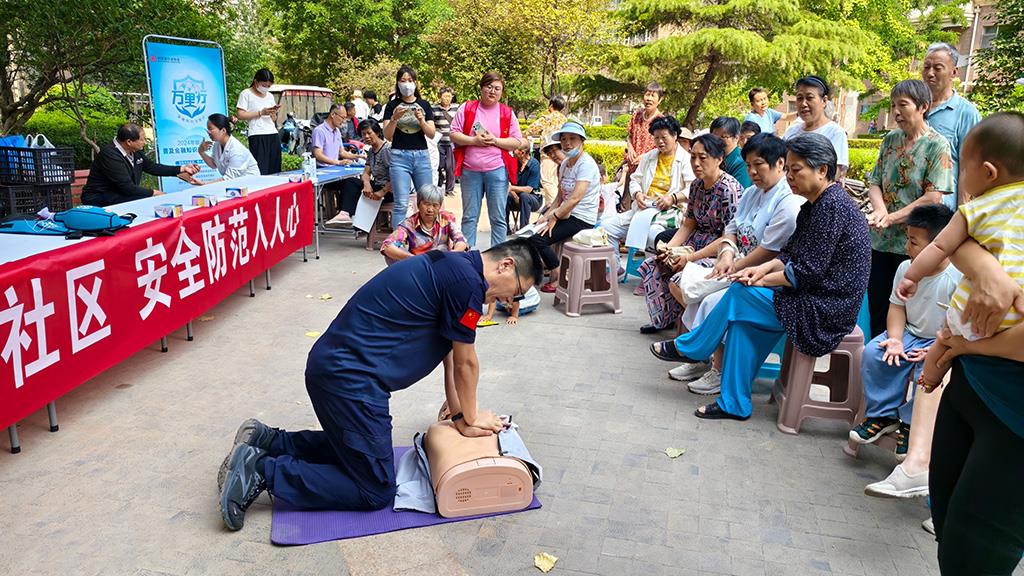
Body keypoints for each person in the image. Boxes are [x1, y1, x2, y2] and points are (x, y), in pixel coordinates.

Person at [217, 239, 545, 529]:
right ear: (506, 265)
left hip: (340, 371)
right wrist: (472, 417)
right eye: (516, 291)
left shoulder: (457, 269)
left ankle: (269, 440)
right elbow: (466, 363)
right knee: (374, 488)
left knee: (359, 454)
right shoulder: (468, 284)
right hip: (351, 381)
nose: (508, 300)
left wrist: (461, 416)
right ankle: (260, 469)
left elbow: (452, 357)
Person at [649, 133, 871, 420]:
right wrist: (759, 271)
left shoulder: (832, 207)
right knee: (742, 320)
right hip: (808, 295)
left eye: (796, 170)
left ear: (822, 170)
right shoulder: (814, 205)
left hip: (825, 308)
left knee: (741, 294)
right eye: (788, 169)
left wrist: (759, 279)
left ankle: (691, 347)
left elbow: (806, 272)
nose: (790, 177)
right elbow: (789, 255)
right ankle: (734, 403)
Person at [667, 133, 804, 394]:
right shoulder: (752, 193)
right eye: (748, 165)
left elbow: (769, 251)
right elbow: (731, 228)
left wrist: (733, 267)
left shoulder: (788, 203)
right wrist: (727, 255)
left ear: (780, 164)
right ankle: (701, 357)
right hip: (737, 263)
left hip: (763, 275)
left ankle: (717, 369)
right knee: (684, 284)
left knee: (710, 301)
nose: (752, 172)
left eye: (759, 164)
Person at [897, 112, 1024, 391]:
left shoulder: (977, 208)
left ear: (989, 172)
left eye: (964, 169)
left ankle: (929, 380)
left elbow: (940, 246)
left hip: (973, 312)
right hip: (1015, 318)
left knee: (944, 341)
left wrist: (912, 277)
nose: (960, 176)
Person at [849, 205, 959, 473]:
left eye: (914, 242)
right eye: (907, 239)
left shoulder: (957, 277)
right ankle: (883, 415)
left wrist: (937, 349)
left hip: (941, 341)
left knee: (929, 372)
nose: (906, 246)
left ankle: (912, 424)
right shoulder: (905, 268)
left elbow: (959, 326)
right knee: (875, 353)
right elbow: (897, 308)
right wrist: (896, 339)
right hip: (910, 332)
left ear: (939, 246)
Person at [864, 79, 954, 337]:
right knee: (879, 306)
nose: (896, 112)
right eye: (893, 105)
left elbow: (933, 197)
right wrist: (881, 212)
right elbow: (874, 182)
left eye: (903, 105)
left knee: (909, 307)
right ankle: (879, 354)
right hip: (881, 240)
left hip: (916, 244)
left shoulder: (937, 145)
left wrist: (892, 217)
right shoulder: (891, 140)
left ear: (923, 106)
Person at [636, 134, 743, 332]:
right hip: (694, 244)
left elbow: (728, 237)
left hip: (719, 252)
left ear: (719, 159)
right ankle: (665, 319)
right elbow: (687, 225)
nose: (696, 163)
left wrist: (690, 258)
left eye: (703, 157)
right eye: (693, 157)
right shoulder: (696, 185)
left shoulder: (729, 189)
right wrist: (669, 249)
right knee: (655, 265)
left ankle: (699, 331)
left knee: (680, 280)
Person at [451, 71, 528, 248]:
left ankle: (498, 257)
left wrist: (495, 140)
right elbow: (453, 133)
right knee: (469, 216)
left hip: (497, 171)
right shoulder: (467, 108)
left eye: (497, 88)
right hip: (470, 171)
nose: (492, 91)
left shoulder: (507, 113)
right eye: (489, 87)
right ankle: (467, 255)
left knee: (498, 217)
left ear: (502, 92)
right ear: (481, 88)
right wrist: (474, 141)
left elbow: (517, 141)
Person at [599, 115, 693, 252]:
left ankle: (650, 265)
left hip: (670, 211)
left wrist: (672, 198)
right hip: (644, 208)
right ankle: (616, 264)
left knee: (653, 235)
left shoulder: (686, 159)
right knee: (606, 228)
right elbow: (635, 180)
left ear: (675, 136)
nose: (660, 141)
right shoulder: (649, 157)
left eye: (664, 137)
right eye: (656, 138)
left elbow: (692, 188)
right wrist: (637, 194)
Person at [531, 121, 602, 292]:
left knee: (538, 240)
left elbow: (575, 198)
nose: (567, 143)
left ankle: (559, 276)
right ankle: (540, 273)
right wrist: (546, 216)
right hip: (566, 213)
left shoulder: (586, 164)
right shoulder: (565, 164)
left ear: (582, 140)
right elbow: (559, 197)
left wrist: (554, 217)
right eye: (563, 139)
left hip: (582, 217)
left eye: (572, 138)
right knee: (531, 234)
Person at [921, 42, 982, 208]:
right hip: (906, 210)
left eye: (937, 68)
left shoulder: (966, 113)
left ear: (954, 72)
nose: (930, 73)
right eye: (926, 67)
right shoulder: (913, 107)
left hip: (941, 212)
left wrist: (961, 213)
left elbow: (969, 167)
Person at [80, 123, 200, 207]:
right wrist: (154, 193)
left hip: (120, 194)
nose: (144, 142)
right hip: (99, 198)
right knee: (153, 200)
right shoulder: (110, 155)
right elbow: (127, 187)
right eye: (142, 139)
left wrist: (182, 168)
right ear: (129, 141)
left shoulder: (134, 150)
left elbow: (152, 167)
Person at [383, 65, 436, 223]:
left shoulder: (424, 105)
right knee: (401, 204)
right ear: (398, 83)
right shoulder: (392, 105)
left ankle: (425, 234)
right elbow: (388, 136)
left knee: (427, 201)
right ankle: (398, 237)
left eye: (410, 80)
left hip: (422, 156)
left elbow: (431, 134)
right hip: (399, 156)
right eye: (403, 80)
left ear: (415, 83)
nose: (407, 84)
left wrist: (421, 120)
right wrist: (394, 118)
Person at [325, 119, 392, 227]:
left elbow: (397, 177)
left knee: (353, 188)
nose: (366, 137)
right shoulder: (371, 151)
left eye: (369, 133)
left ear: (378, 133)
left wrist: (382, 192)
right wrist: (366, 184)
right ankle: (344, 214)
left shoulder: (387, 150)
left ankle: (349, 216)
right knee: (350, 182)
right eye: (363, 134)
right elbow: (366, 172)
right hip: (377, 186)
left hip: (390, 191)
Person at [782, 75, 849, 181]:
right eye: (799, 98)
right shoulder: (792, 131)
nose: (803, 104)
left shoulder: (835, 133)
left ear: (824, 101)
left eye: (809, 98)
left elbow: (835, 173)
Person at [381, 184, 468, 263]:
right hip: (418, 265)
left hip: (443, 263)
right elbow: (387, 246)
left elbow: (461, 240)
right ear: (418, 204)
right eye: (426, 204)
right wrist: (411, 258)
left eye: (435, 205)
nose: (430, 209)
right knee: (391, 255)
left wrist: (452, 255)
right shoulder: (409, 224)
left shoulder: (446, 219)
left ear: (439, 207)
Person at [622, 82, 665, 209]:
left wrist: (645, 157)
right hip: (632, 166)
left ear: (660, 100)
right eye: (647, 94)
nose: (649, 99)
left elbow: (662, 146)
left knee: (642, 204)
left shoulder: (661, 121)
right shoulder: (636, 115)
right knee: (625, 204)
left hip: (648, 170)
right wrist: (630, 148)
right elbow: (629, 135)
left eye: (653, 95)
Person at [236, 68, 281, 174]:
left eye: (269, 86)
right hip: (257, 134)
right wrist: (260, 113)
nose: (266, 88)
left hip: (273, 134)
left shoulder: (270, 96)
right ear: (256, 82)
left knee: (275, 168)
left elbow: (273, 119)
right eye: (264, 85)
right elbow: (240, 115)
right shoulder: (246, 93)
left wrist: (273, 112)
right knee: (261, 168)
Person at [194, 114, 261, 184]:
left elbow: (229, 178)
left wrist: (205, 184)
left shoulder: (236, 149)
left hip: (251, 184)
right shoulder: (217, 144)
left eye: (210, 129)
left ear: (223, 130)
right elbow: (214, 164)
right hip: (235, 184)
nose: (208, 132)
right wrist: (201, 151)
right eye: (207, 129)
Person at [710, 116, 753, 188]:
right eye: (714, 136)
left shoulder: (742, 162)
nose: (717, 141)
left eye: (723, 137)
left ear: (736, 138)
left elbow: (739, 191)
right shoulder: (713, 158)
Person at [506, 147, 542, 231]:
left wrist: (511, 188)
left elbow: (529, 189)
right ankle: (505, 228)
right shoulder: (514, 162)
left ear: (522, 153)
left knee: (524, 196)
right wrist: (515, 196)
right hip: (515, 198)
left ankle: (523, 229)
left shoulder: (534, 164)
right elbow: (508, 183)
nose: (513, 152)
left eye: (515, 149)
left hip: (533, 199)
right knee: (504, 196)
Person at [433, 87, 458, 196]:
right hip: (439, 142)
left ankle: (449, 189)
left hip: (451, 142)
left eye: (449, 96)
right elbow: (431, 124)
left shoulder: (457, 108)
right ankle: (438, 187)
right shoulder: (434, 109)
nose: (447, 99)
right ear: (440, 97)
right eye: (445, 96)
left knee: (450, 167)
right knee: (439, 165)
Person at [538, 135, 564, 209]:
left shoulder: (578, 164)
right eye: (549, 153)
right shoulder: (559, 167)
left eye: (554, 151)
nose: (552, 155)